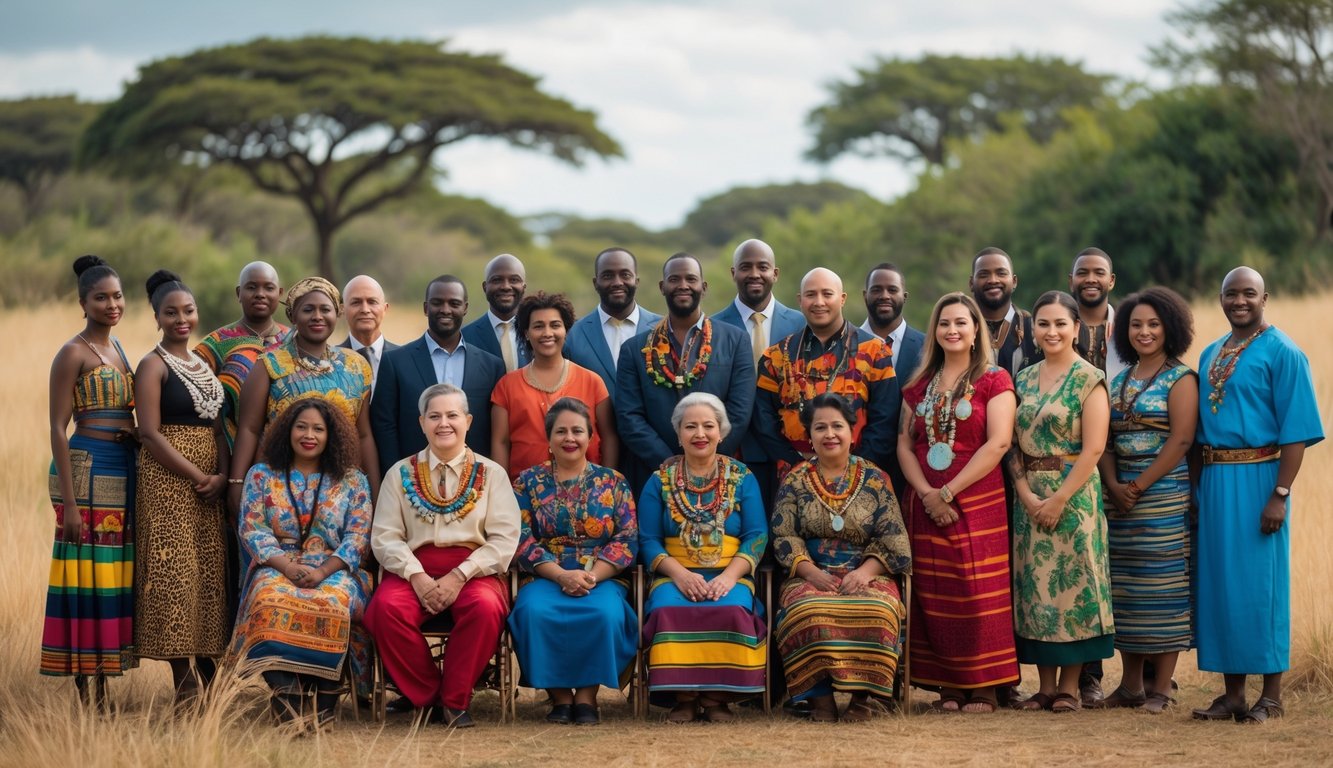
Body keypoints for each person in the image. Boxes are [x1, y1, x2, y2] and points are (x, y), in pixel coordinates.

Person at [1190, 267, 1323, 725]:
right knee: (1221, 585)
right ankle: (1232, 695)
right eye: (1231, 293)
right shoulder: (1211, 353)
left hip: (1260, 478)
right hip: (1215, 480)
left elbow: (1297, 432)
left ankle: (1272, 695)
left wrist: (1280, 494)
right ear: (1220, 298)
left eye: (1249, 293)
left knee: (1261, 586)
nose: (1239, 300)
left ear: (1266, 296)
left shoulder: (1283, 352)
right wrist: (1194, 491)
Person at [365, 383, 521, 728]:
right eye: (434, 416)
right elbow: (385, 537)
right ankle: (430, 695)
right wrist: (416, 575)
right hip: (412, 570)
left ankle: (454, 700)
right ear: (421, 423)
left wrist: (460, 575)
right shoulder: (400, 473)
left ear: (468, 420)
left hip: (474, 571)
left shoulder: (491, 474)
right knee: (383, 611)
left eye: (452, 415)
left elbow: (504, 539)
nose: (444, 423)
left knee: (486, 608)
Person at [897, 293, 1018, 713]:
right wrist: (929, 495)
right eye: (944, 323)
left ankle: (984, 685)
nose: (952, 330)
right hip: (924, 501)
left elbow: (999, 442)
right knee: (935, 592)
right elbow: (904, 443)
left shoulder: (994, 379)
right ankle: (949, 686)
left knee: (977, 589)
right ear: (934, 331)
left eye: (961, 323)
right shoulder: (917, 386)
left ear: (974, 331)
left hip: (977, 495)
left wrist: (949, 492)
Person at [230, 399, 373, 727]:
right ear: (287, 431)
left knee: (334, 602)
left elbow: (357, 537)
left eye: (318, 429)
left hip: (335, 567)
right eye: (302, 426)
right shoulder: (261, 475)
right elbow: (252, 527)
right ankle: (287, 696)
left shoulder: (353, 480)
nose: (309, 435)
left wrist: (323, 571)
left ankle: (326, 696)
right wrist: (286, 567)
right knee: (268, 600)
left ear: (331, 435)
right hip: (277, 563)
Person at [772, 393, 913, 722]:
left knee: (877, 610)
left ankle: (864, 699)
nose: (829, 434)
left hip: (867, 571)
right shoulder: (794, 479)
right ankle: (820, 701)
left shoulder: (875, 478)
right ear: (810, 435)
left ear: (853, 431)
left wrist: (865, 573)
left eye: (838, 426)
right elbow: (784, 535)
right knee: (805, 610)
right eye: (820, 427)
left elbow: (893, 537)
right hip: (811, 571)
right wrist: (809, 573)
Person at [1006, 291, 1113, 713]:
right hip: (1028, 493)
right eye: (1044, 324)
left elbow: (1093, 449)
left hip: (1074, 495)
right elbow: (1011, 443)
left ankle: (1070, 686)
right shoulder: (1023, 378)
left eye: (1060, 324)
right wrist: (1027, 494)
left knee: (1072, 585)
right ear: (1034, 330)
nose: (1051, 331)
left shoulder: (1090, 378)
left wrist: (1057, 500)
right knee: (1035, 586)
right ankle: (1044, 686)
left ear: (1075, 328)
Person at [1095, 287, 1197, 714]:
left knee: (1164, 589)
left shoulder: (1181, 378)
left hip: (1163, 497)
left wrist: (1136, 488)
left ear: (1170, 327)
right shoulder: (1118, 380)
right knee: (1127, 591)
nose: (1144, 331)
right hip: (1119, 500)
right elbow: (1104, 440)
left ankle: (1161, 690)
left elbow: (1181, 440)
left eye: (1153, 324)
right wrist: (1115, 485)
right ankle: (1131, 685)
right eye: (1136, 324)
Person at [41, 255, 137, 708]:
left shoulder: (120, 350)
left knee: (111, 576)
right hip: (86, 470)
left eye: (117, 295)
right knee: (85, 577)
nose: (112, 304)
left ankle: (105, 676)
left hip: (121, 467)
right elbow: (58, 427)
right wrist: (73, 506)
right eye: (101, 297)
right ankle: (87, 690)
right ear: (83, 302)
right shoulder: (72, 352)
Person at [638, 393, 768, 723]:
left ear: (721, 432)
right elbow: (649, 540)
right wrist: (680, 575)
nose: (700, 434)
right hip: (674, 572)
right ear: (678, 433)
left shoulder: (742, 477)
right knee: (668, 608)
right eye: (690, 426)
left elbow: (756, 535)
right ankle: (682, 698)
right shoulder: (659, 481)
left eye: (708, 426)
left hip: (730, 571)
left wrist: (729, 577)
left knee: (732, 608)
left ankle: (716, 698)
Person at [508, 398, 638, 726]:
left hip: (602, 576)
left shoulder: (613, 482)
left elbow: (626, 539)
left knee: (605, 613)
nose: (570, 438)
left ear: (591, 437)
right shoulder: (527, 482)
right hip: (546, 576)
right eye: (561, 431)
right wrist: (560, 576)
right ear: (549, 438)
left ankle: (587, 698)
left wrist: (591, 576)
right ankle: (560, 699)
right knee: (533, 611)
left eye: (578, 430)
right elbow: (521, 538)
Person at [133, 270, 230, 702]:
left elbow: (218, 426)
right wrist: (197, 476)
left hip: (211, 482)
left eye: (188, 310)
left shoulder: (203, 364)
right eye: (170, 313)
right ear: (156, 317)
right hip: (168, 481)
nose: (181, 319)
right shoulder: (152, 365)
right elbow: (150, 433)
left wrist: (222, 476)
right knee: (175, 575)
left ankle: (209, 674)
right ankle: (184, 682)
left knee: (209, 574)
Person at [229, 277, 379, 515]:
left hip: (341, 494)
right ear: (292, 316)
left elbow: (363, 435)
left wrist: (375, 489)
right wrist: (236, 483)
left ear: (337, 313)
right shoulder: (270, 365)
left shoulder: (356, 366)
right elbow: (249, 429)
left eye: (325, 309)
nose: (317, 316)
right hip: (280, 489)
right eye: (308, 310)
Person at [616, 253, 755, 493]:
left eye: (691, 279)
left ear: (704, 286)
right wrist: (667, 462)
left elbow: (740, 411)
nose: (683, 285)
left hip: (718, 473)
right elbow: (629, 416)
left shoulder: (735, 340)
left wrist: (705, 459)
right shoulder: (634, 349)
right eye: (674, 279)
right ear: (662, 287)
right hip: (654, 475)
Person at [755, 267, 899, 482]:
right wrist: (797, 466)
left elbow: (885, 420)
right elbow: (763, 421)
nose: (819, 302)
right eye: (811, 294)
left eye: (827, 294)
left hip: (859, 475)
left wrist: (853, 469)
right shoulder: (775, 356)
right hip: (794, 477)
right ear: (800, 300)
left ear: (842, 299)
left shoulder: (874, 351)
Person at [372, 275, 505, 474]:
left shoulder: (492, 366)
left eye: (454, 303)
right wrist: (398, 475)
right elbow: (385, 427)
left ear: (465, 308)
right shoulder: (395, 362)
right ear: (426, 308)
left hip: (475, 482)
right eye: (437, 303)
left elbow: (497, 432)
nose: (445, 310)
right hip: (413, 481)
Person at [712, 238, 804, 509]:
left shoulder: (801, 324)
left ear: (775, 273)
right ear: (733, 273)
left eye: (762, 267)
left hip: (791, 451)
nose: (754, 274)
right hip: (733, 449)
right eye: (745, 267)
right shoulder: (712, 328)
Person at [491, 292, 617, 481]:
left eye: (555, 325)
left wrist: (606, 483)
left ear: (566, 330)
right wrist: (502, 490)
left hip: (588, 495)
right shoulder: (507, 386)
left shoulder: (592, 381)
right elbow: (500, 442)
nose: (547, 333)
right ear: (526, 332)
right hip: (524, 496)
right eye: (538, 326)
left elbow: (610, 438)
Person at [196, 261, 290, 449]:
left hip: (285, 450)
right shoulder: (217, 342)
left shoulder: (293, 341)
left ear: (279, 293)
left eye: (268, 288)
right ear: (239, 293)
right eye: (251, 287)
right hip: (228, 449)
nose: (260, 294)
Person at [563, 247, 662, 403]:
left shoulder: (663, 330)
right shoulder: (572, 335)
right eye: (608, 275)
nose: (617, 282)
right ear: (595, 283)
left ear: (636, 281)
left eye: (625, 275)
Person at [969, 247, 1038, 382]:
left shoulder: (1033, 329)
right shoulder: (960, 329)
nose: (993, 280)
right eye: (984, 275)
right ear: (971, 283)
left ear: (1014, 281)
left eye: (1001, 273)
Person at [461, 254, 530, 372]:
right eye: (497, 280)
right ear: (485, 287)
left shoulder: (538, 332)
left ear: (523, 287)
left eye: (514, 280)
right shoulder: (464, 338)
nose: (506, 287)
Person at [862, 262, 926, 381]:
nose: (885, 296)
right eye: (876, 290)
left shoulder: (927, 346)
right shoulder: (846, 345)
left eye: (892, 290)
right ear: (865, 296)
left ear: (904, 297)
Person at [338, 274, 398, 392]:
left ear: (385, 309)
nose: (365, 309)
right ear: (342, 310)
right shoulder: (330, 362)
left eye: (372, 302)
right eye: (356, 302)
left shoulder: (404, 360)